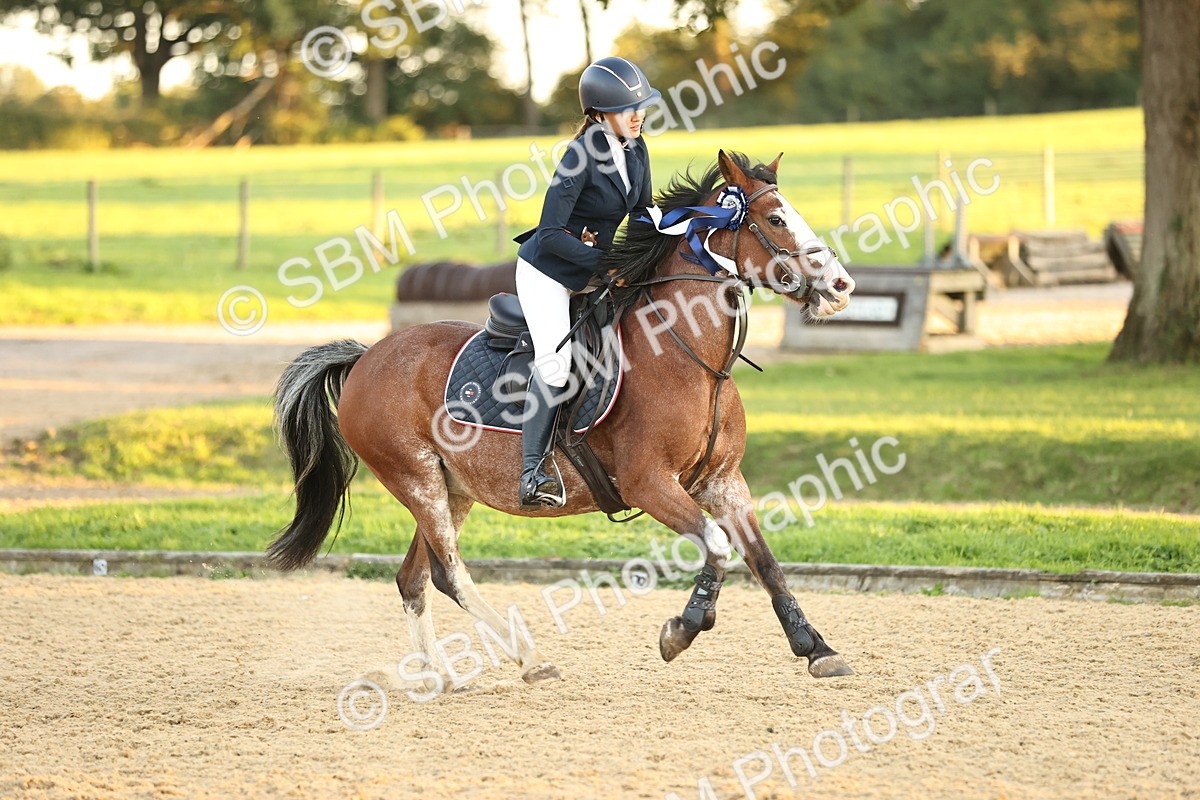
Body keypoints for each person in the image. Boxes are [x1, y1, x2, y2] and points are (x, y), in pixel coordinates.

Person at [511, 56, 659, 509]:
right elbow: (551, 233)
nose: (637, 116)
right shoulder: (578, 156)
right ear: (598, 114)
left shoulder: (637, 149)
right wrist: (606, 263)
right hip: (549, 273)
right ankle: (531, 472)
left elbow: (643, 214)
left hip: (597, 272)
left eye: (641, 107)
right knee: (555, 365)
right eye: (626, 109)